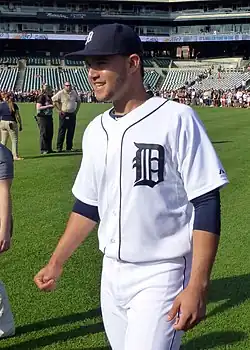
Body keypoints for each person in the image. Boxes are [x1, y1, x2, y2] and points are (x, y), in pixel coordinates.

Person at [34, 23, 229, 350]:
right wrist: (57, 260)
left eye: (101, 62)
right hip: (111, 273)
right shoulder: (96, 129)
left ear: (133, 63)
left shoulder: (177, 118)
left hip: (163, 272)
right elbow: (87, 206)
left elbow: (207, 201)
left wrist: (198, 284)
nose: (92, 73)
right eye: (89, 64)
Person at [0, 144, 15, 338]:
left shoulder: (2, 153)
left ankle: (5, 325)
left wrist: (4, 230)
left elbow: (3, 191)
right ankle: (5, 325)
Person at [52, 82, 81, 152]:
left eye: (69, 85)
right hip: (64, 113)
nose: (68, 87)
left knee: (71, 131)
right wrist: (59, 110)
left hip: (72, 114)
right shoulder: (61, 93)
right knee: (62, 131)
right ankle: (59, 147)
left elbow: (79, 101)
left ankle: (69, 147)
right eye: (67, 85)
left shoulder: (74, 93)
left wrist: (76, 111)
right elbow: (53, 100)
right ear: (64, 86)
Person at [0, 94, 23, 160]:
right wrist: (20, 124)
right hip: (11, 123)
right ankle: (15, 156)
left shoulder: (1, 105)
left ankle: (1, 155)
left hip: (2, 122)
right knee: (14, 140)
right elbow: (18, 116)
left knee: (3, 141)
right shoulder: (14, 105)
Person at [36, 84, 54, 155]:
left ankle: (49, 148)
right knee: (44, 133)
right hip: (42, 116)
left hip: (49, 116)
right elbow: (38, 107)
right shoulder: (41, 97)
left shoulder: (49, 97)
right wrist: (49, 106)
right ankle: (43, 149)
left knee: (50, 132)